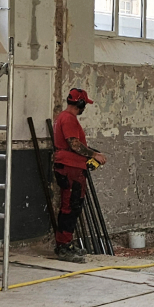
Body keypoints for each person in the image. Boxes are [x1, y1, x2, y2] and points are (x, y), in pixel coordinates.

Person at [51, 87, 106, 262]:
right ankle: (63, 246)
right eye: (84, 104)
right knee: (70, 206)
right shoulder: (68, 119)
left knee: (73, 206)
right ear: (80, 103)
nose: (85, 108)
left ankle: (66, 243)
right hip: (70, 167)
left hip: (71, 166)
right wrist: (94, 155)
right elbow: (74, 144)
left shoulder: (64, 117)